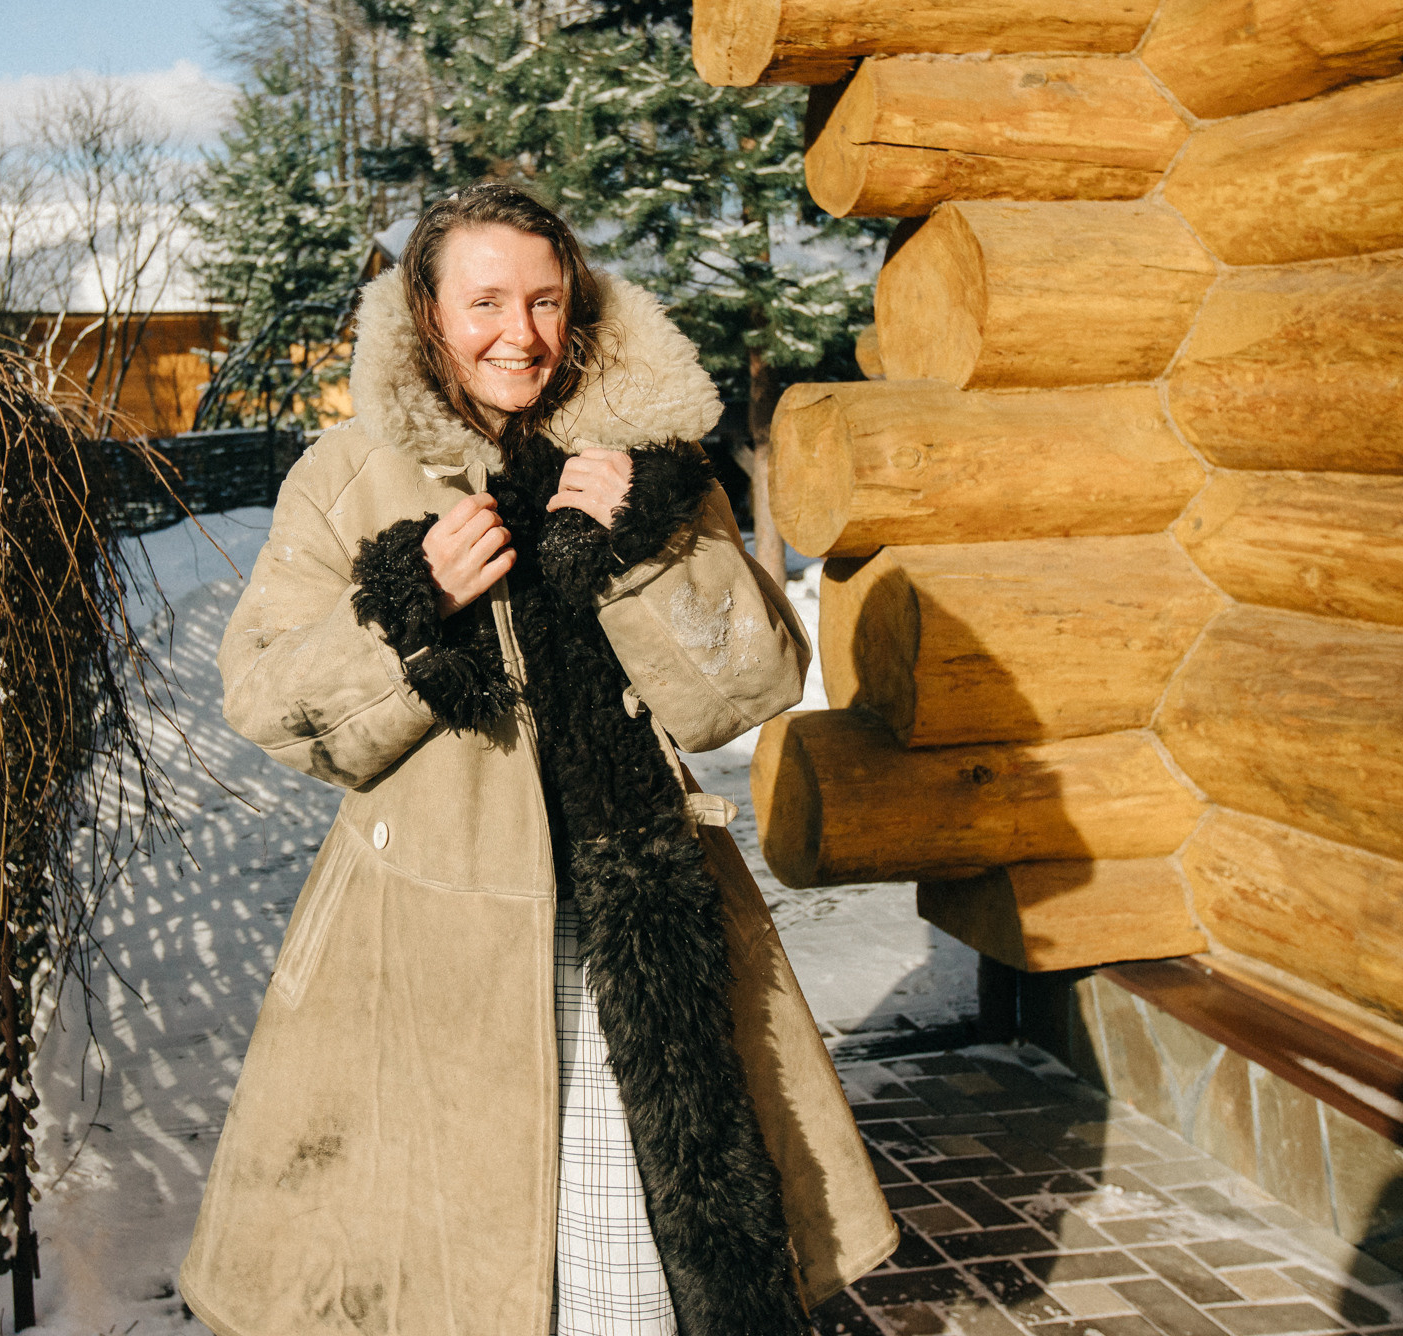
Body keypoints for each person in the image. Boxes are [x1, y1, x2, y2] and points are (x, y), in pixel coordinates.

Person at [178, 185, 896, 1336]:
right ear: (426, 311)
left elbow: (752, 683)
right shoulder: (348, 476)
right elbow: (265, 699)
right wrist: (410, 610)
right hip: (427, 947)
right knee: (456, 1263)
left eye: (546, 299)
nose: (521, 332)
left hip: (635, 918)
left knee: (638, 1250)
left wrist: (643, 551)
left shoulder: (646, 459)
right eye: (486, 301)